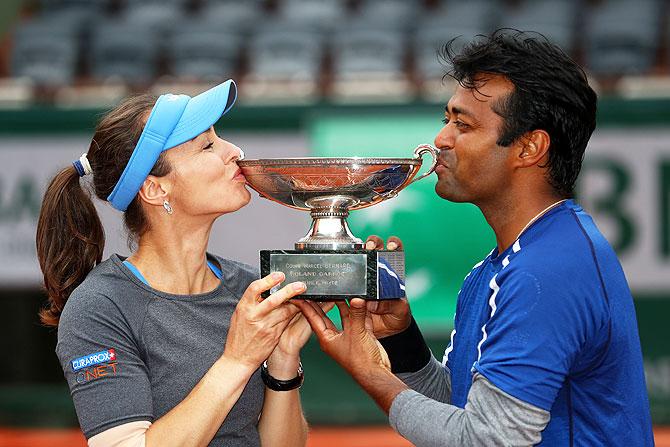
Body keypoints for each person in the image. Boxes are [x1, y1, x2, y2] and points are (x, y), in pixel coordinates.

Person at [296, 30, 654, 446]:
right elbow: (464, 408)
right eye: (446, 119)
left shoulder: (547, 271)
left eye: (462, 124)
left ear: (529, 148)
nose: (441, 139)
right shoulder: (504, 264)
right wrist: (400, 339)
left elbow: (487, 439)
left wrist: (371, 374)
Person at [36, 80, 320, 447]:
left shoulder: (251, 288)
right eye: (207, 146)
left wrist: (282, 361)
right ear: (156, 189)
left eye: (220, 138)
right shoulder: (100, 307)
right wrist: (238, 360)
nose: (235, 151)